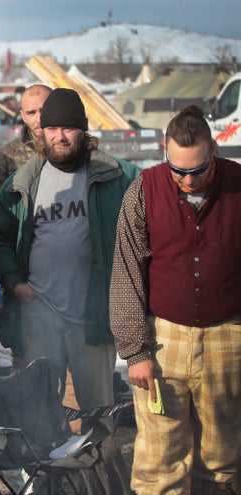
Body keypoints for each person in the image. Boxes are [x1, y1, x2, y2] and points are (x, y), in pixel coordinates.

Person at [0, 88, 138, 431]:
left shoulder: (118, 176)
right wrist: (15, 283)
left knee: (99, 410)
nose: (60, 136)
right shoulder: (22, 182)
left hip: (93, 315)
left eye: (68, 128)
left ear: (83, 130)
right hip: (40, 312)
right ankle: (47, 481)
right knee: (39, 410)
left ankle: (97, 477)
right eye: (52, 128)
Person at [110, 105, 241, 494]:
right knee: (158, 460)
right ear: (165, 152)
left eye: (197, 170)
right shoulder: (143, 190)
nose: (186, 179)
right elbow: (126, 271)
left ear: (213, 150)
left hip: (229, 339)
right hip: (164, 340)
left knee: (222, 458)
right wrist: (136, 351)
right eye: (177, 169)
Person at [0, 84, 51, 225]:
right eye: (31, 113)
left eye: (45, 110)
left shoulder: (77, 150)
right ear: (23, 116)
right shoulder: (5, 157)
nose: (39, 119)